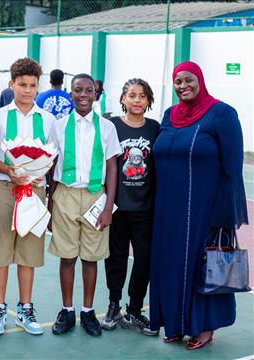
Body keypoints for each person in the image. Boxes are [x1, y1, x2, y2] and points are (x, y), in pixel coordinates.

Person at [149, 61, 248, 350]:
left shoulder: (221, 114)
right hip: (167, 211)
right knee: (170, 266)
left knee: (200, 267)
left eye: (188, 80)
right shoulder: (169, 115)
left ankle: (204, 328)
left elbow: (232, 167)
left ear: (200, 80)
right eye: (177, 81)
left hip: (205, 211)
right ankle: (175, 324)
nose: (183, 86)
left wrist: (223, 214)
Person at [0, 57, 55, 336]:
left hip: (34, 192)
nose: (27, 90)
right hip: (4, 189)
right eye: (22, 84)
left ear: (39, 87)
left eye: (33, 85)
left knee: (28, 253)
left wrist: (42, 172)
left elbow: (53, 155)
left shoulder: (48, 120)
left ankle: (25, 309)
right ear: (12, 84)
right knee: (0, 251)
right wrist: (7, 170)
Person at [49, 73, 121, 337]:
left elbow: (112, 167)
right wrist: (50, 203)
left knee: (90, 258)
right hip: (66, 195)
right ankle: (67, 310)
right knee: (67, 257)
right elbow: (50, 164)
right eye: (77, 90)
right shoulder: (58, 126)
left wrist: (108, 206)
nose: (83, 95)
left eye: (88, 90)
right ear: (70, 94)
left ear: (95, 94)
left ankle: (88, 310)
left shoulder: (107, 127)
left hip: (95, 197)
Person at [101, 78, 159, 336]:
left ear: (148, 100)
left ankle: (134, 309)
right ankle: (114, 304)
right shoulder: (112, 126)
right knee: (117, 257)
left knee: (144, 258)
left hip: (145, 207)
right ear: (123, 99)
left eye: (142, 96)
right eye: (132, 95)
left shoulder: (155, 128)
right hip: (117, 206)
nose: (137, 100)